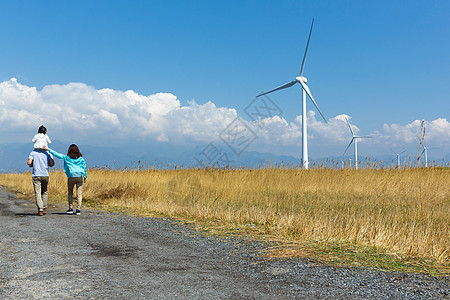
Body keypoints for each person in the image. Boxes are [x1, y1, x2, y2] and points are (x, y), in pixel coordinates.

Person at [43, 144, 87, 216]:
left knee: (70, 193)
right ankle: (78, 210)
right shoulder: (81, 159)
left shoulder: (66, 158)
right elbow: (84, 168)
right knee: (79, 194)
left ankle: (70, 208)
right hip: (79, 177)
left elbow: (57, 154)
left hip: (71, 177)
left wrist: (48, 149)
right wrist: (85, 176)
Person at [27, 148, 55, 216]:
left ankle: (40, 209)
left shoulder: (33, 152)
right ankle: (44, 208)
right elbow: (52, 164)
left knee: (38, 193)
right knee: (44, 191)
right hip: (45, 174)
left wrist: (33, 163)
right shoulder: (48, 153)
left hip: (36, 174)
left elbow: (29, 163)